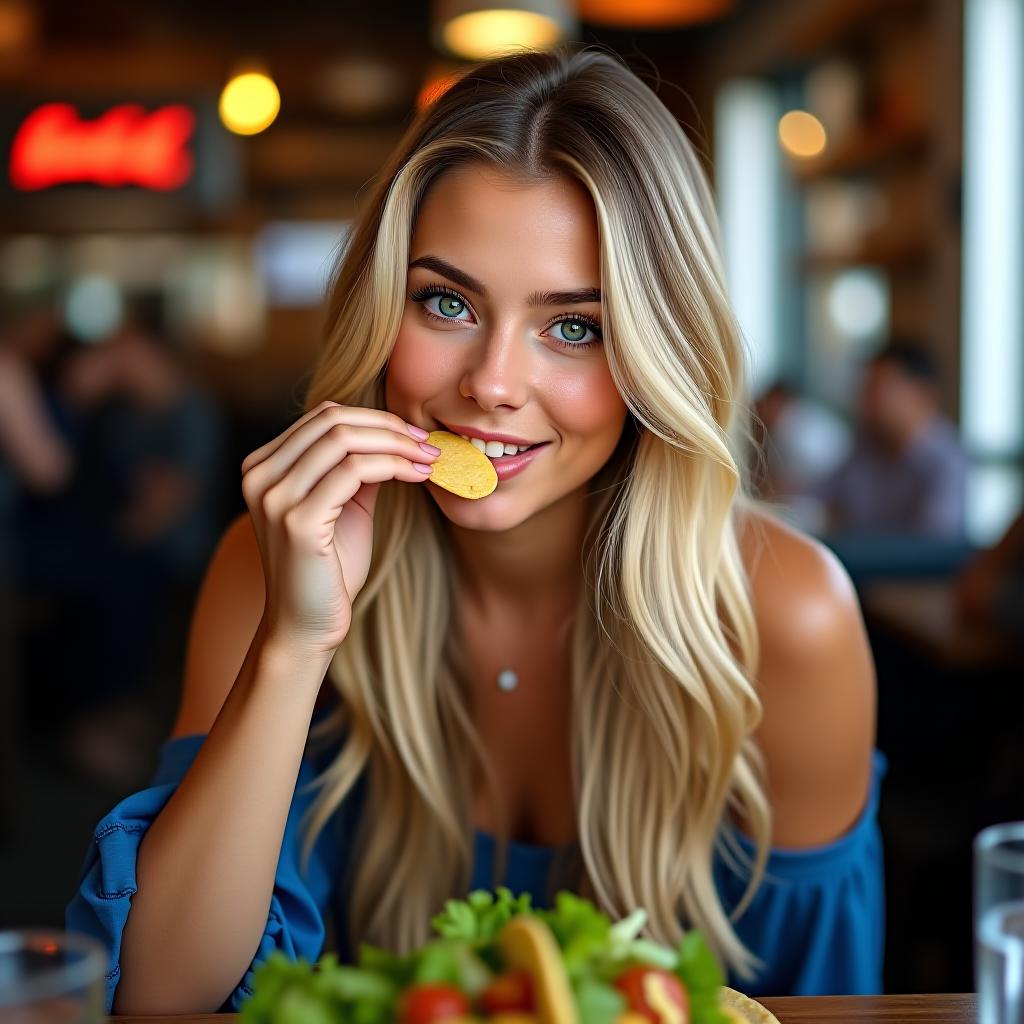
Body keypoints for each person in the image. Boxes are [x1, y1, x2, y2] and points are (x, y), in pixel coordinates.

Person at [66, 45, 883, 1012]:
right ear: (382, 306)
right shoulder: (278, 562)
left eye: (573, 325)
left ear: (657, 355)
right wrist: (295, 643)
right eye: (445, 303)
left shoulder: (788, 620)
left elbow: (825, 1006)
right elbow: (161, 997)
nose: (492, 384)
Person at [814, 341, 968, 540]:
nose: (865, 401)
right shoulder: (867, 446)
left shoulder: (946, 460)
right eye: (865, 389)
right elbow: (817, 496)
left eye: (879, 389)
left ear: (923, 395)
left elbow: (933, 544)